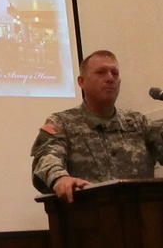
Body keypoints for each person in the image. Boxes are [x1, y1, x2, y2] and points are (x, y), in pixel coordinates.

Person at [31, 49, 163, 202]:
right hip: (88, 217)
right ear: (81, 82)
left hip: (144, 217)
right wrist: (60, 178)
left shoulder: (139, 122)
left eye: (115, 73)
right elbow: (46, 157)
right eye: (101, 72)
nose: (110, 78)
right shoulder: (62, 123)